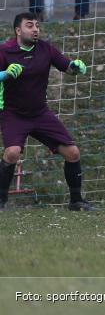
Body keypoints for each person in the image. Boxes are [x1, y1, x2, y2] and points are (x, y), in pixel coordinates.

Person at [0, 12, 91, 211]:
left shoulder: (46, 49)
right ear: (18, 30)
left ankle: (76, 201)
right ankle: (1, 201)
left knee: (73, 153)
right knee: (12, 153)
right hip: (13, 114)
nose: (35, 29)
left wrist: (76, 67)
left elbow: (68, 68)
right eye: (30, 25)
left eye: (37, 26)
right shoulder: (5, 50)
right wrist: (4, 74)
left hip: (40, 113)